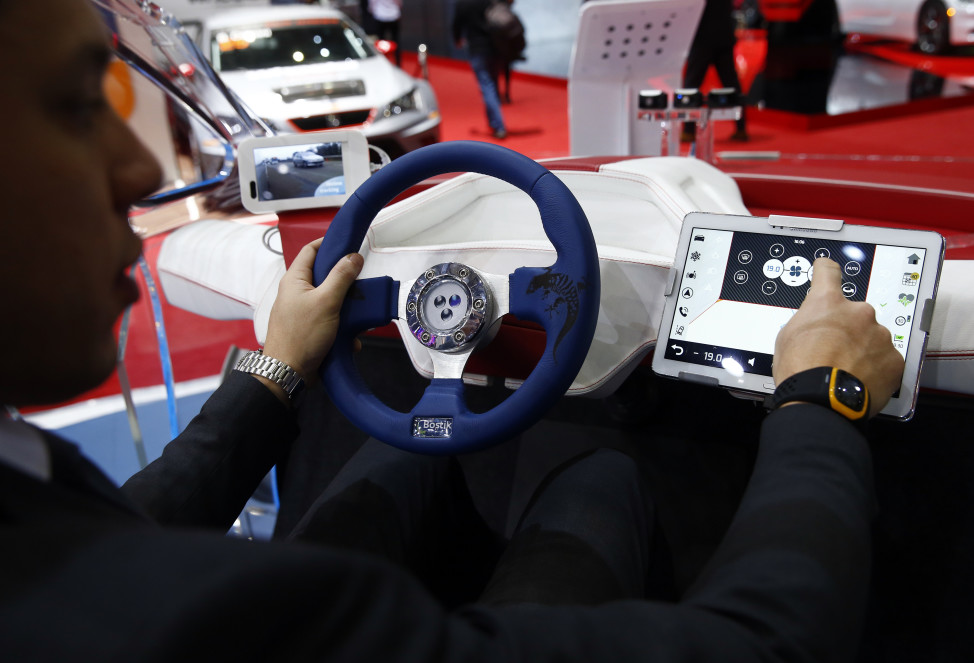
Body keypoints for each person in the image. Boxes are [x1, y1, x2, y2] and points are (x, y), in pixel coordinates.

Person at [1, 0, 906, 660]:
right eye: (84, 108)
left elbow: (153, 508)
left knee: (416, 448)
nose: (134, 167)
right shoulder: (213, 616)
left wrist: (278, 367)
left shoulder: (44, 504)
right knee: (599, 470)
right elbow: (769, 642)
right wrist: (820, 397)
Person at [682, 0, 749, 142]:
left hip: (703, 39)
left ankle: (688, 130)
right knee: (731, 84)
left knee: (691, 86)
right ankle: (741, 128)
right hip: (722, 36)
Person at [452, 0, 508, 139]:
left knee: (487, 87)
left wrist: (457, 39)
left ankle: (499, 126)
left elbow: (456, 25)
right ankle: (493, 123)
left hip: (477, 50)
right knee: (492, 85)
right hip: (495, 48)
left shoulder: (463, 4)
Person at [369, 0, 403, 67]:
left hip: (381, 16)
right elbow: (399, 2)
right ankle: (397, 64)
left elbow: (372, 4)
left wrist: (373, 11)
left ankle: (384, 64)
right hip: (393, 15)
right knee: (395, 41)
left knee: (381, 43)